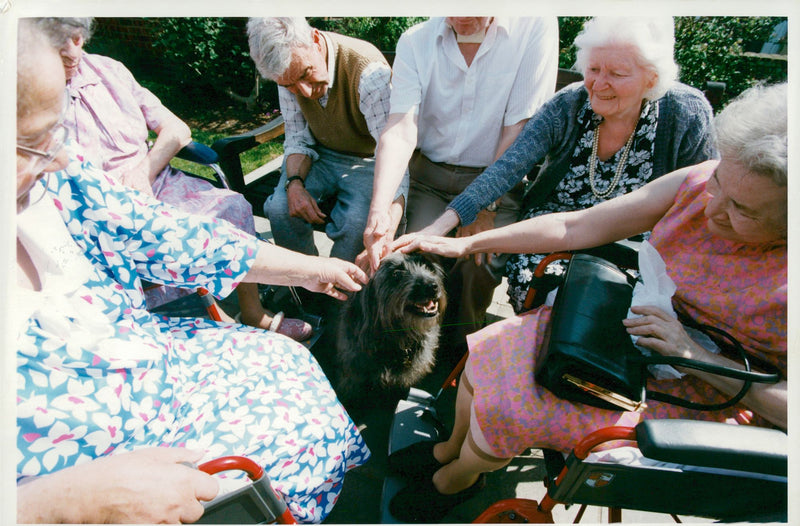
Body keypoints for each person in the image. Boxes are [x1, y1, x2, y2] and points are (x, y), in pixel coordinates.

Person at [16, 20, 370, 523]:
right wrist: (62, 502)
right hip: (88, 473)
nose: (57, 159)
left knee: (290, 366)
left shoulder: (62, 174)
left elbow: (171, 237)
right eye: (31, 142)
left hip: (156, 368)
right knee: (259, 487)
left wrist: (311, 270)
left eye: (57, 131)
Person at [387, 82, 787, 522]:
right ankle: (448, 450)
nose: (711, 211)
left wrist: (691, 354)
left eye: (743, 212)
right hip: (632, 331)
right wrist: (467, 244)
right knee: (492, 344)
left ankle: (459, 478)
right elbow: (575, 228)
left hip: (702, 391)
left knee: (511, 405)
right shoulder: (698, 184)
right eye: (718, 183)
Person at [411, 16, 716, 315]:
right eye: (593, 69)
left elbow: (699, 203)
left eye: (617, 73)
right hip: (553, 234)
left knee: (630, 305)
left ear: (651, 78)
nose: (599, 83)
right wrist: (440, 227)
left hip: (640, 249)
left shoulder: (685, 113)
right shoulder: (569, 104)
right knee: (542, 286)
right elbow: (508, 167)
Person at [34, 18, 313, 341]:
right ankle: (209, 323)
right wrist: (120, 191)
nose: (71, 53)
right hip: (99, 205)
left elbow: (176, 128)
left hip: (155, 178)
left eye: (77, 39)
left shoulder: (108, 71)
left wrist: (143, 171)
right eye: (59, 44)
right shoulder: (35, 96)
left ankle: (252, 312)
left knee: (233, 205)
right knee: (154, 243)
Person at [363, 17, 559, 353]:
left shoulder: (535, 25)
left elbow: (520, 127)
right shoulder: (415, 40)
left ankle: (460, 351)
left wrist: (487, 205)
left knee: (478, 265)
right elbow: (400, 129)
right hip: (431, 177)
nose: (460, 19)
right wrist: (379, 213)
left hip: (496, 177)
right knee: (415, 255)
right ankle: (413, 345)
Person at [247, 17, 407, 269]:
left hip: (369, 161)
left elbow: (394, 150)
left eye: (306, 74)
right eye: (289, 86)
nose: (305, 93)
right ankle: (304, 280)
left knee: (357, 223)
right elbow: (297, 137)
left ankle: (342, 292)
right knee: (279, 208)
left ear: (314, 39)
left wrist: (387, 220)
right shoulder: (286, 72)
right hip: (322, 156)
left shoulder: (367, 71)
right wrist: (294, 184)